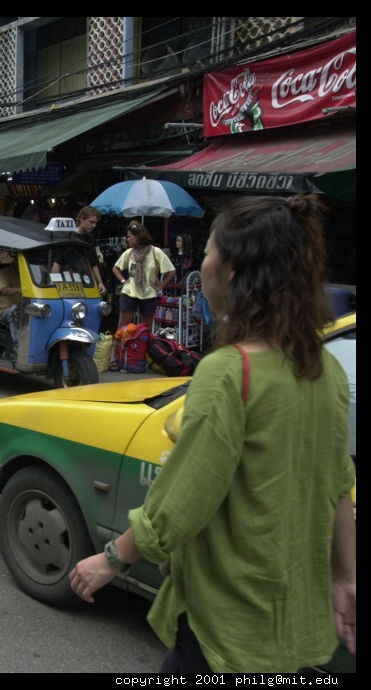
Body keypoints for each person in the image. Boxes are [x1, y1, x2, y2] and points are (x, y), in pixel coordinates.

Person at [69, 195, 356, 673]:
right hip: (302, 623)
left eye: (208, 253)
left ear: (235, 272)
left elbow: (182, 500)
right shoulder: (323, 366)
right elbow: (337, 482)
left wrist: (110, 561)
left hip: (229, 623)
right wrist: (347, 577)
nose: (200, 265)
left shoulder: (229, 372)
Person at [111, 221, 175, 332]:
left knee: (146, 329)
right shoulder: (129, 253)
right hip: (130, 292)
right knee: (122, 327)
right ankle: (119, 349)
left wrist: (160, 287)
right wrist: (123, 280)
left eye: (129, 236)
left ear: (138, 237)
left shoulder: (156, 252)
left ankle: (143, 349)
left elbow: (171, 271)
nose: (128, 239)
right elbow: (115, 268)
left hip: (148, 294)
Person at [51, 206, 108, 296]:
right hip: (67, 282)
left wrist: (100, 282)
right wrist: (54, 284)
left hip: (86, 282)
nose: (94, 225)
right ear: (82, 219)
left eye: (96, 223)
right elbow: (57, 262)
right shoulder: (68, 236)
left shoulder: (90, 237)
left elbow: (94, 262)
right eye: (91, 222)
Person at [0, 252, 22, 348]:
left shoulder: (27, 275)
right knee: (16, 310)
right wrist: (19, 290)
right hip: (5, 311)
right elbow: (3, 290)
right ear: (15, 261)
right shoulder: (3, 273)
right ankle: (18, 348)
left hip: (24, 308)